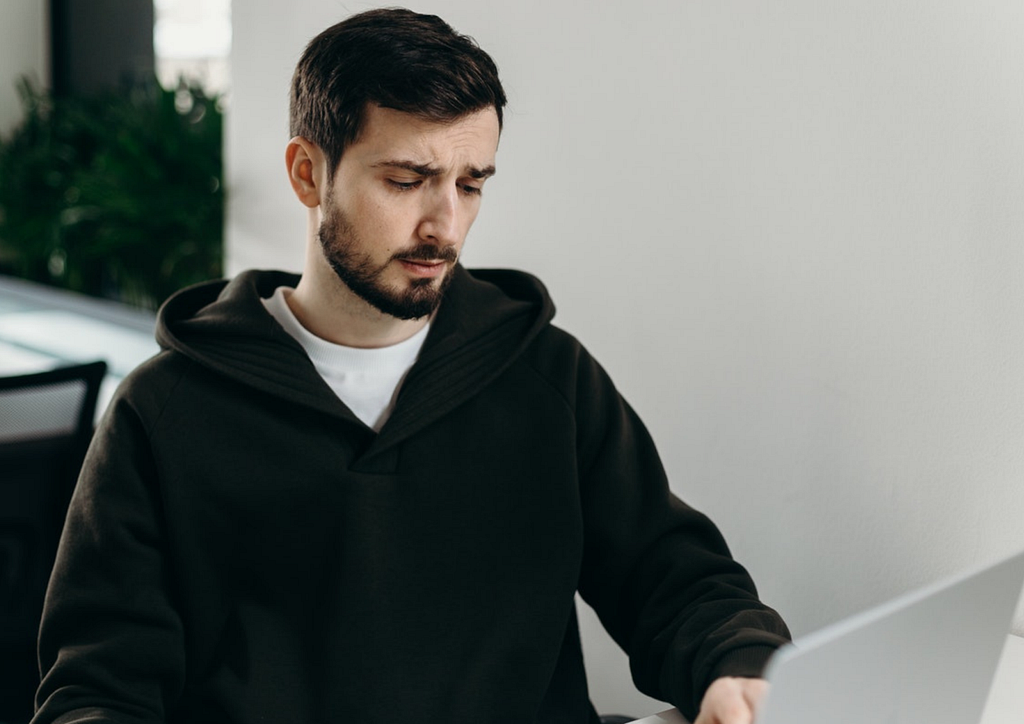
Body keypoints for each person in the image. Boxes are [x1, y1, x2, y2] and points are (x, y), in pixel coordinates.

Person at [32, 8, 790, 724]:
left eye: (471, 184)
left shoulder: (547, 379)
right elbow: (99, 687)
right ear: (307, 175)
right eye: (405, 181)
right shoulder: (164, 414)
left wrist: (737, 663)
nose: (445, 226)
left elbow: (677, 581)